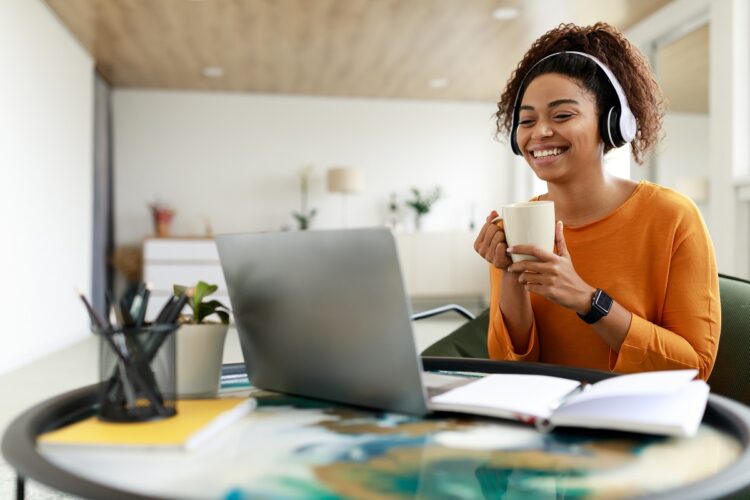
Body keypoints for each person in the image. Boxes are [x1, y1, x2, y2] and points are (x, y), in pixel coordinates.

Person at [473, 23, 720, 380]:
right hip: (546, 418)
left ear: (612, 124)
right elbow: (511, 371)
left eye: (562, 115)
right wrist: (509, 275)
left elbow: (694, 367)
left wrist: (589, 302)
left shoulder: (672, 216)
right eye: (527, 121)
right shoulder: (518, 222)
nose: (540, 132)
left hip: (638, 417)